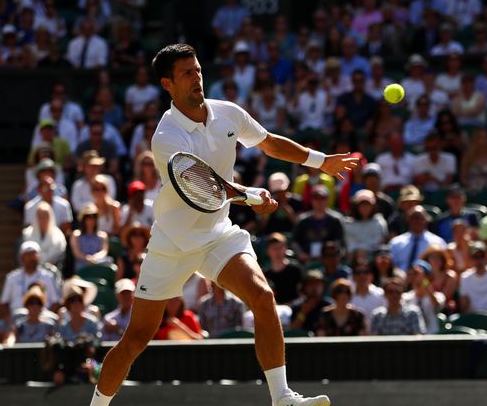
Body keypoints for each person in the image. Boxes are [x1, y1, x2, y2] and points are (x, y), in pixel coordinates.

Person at [88, 44, 357, 406]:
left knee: (263, 298)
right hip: (173, 242)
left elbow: (270, 144)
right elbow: (203, 186)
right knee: (136, 338)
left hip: (218, 235)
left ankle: (282, 398)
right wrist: (250, 196)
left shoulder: (228, 113)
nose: (197, 78)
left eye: (197, 70)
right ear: (167, 84)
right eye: (186, 73)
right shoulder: (166, 137)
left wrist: (320, 161)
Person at [0, 241, 61, 320]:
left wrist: (42, 320)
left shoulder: (48, 277)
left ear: (39, 257)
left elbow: (56, 302)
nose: (31, 258)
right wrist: (10, 323)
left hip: (42, 318)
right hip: (17, 318)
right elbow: (3, 303)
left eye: (34, 254)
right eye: (28, 254)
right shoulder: (12, 277)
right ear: (21, 258)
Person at [291, 185, 345, 263]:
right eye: (316, 198)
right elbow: (295, 242)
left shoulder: (336, 220)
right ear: (311, 200)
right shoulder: (302, 220)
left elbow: (340, 241)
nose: (319, 202)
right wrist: (301, 254)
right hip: (307, 260)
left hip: (330, 261)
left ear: (328, 199)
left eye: (322, 198)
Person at [389, 206, 447, 272]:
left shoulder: (437, 242)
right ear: (407, 220)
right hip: (401, 279)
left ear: (426, 220)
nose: (417, 221)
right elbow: (391, 266)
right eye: (414, 218)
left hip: (428, 280)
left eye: (420, 218)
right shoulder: (396, 243)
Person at [402, 260, 445, 334]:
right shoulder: (405, 298)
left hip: (432, 336)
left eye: (418, 274)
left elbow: (437, 306)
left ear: (428, 277)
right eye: (414, 274)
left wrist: (423, 280)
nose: (416, 277)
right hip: (412, 338)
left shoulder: (438, 296)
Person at [22, 201, 67, 271]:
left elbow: (57, 255)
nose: (43, 219)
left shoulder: (58, 235)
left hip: (52, 270)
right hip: (31, 270)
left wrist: (41, 261)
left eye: (45, 216)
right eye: (40, 216)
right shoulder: (26, 234)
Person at [343, 189, 388, 258]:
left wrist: (364, 251)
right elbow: (349, 245)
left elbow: (379, 243)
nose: (365, 207)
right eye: (362, 204)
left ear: (373, 206)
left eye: (367, 204)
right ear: (356, 207)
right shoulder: (348, 224)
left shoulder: (379, 222)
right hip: (353, 259)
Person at [264, 233, 304, 305]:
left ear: (286, 248)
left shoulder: (295, 269)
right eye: (274, 248)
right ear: (268, 251)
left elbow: (302, 295)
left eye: (280, 247)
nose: (278, 251)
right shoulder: (265, 274)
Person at [71, 203, 110, 272]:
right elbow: (77, 253)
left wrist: (95, 258)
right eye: (88, 217)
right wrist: (86, 258)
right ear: (83, 219)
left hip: (98, 266)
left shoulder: (103, 235)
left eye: (94, 217)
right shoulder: (76, 235)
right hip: (82, 267)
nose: (91, 220)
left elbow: (104, 251)